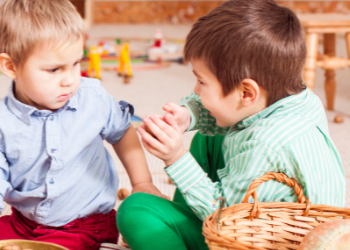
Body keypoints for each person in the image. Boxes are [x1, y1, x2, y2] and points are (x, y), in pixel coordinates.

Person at [117, 1, 346, 249]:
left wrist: (175, 158)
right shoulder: (299, 99)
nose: (195, 90)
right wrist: (188, 114)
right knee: (210, 135)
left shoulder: (264, 143)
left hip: (254, 235)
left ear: (247, 92)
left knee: (134, 209)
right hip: (270, 219)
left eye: (202, 82)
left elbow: (225, 217)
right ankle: (180, 220)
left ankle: (177, 232)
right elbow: (230, 111)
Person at [0, 1, 165, 249]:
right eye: (54, 69)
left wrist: (142, 183)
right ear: (10, 66)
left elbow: (122, 131)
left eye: (76, 63)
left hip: (86, 225)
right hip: (26, 224)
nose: (71, 80)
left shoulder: (92, 98)